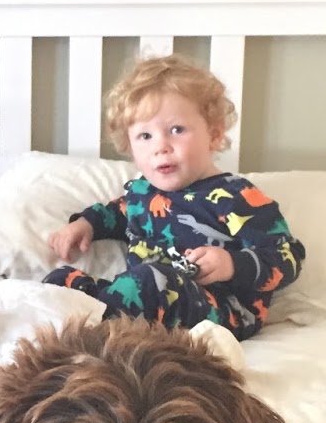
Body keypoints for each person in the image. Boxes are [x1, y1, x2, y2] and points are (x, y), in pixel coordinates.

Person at [43, 54, 305, 341]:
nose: (161, 147)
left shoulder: (236, 196)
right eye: (145, 136)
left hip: (223, 311)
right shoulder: (142, 192)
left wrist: (231, 263)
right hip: (145, 300)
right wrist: (86, 225)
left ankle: (92, 341)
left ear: (214, 135)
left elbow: (287, 256)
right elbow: (117, 213)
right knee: (59, 281)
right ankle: (72, 333)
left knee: (149, 279)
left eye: (177, 130)